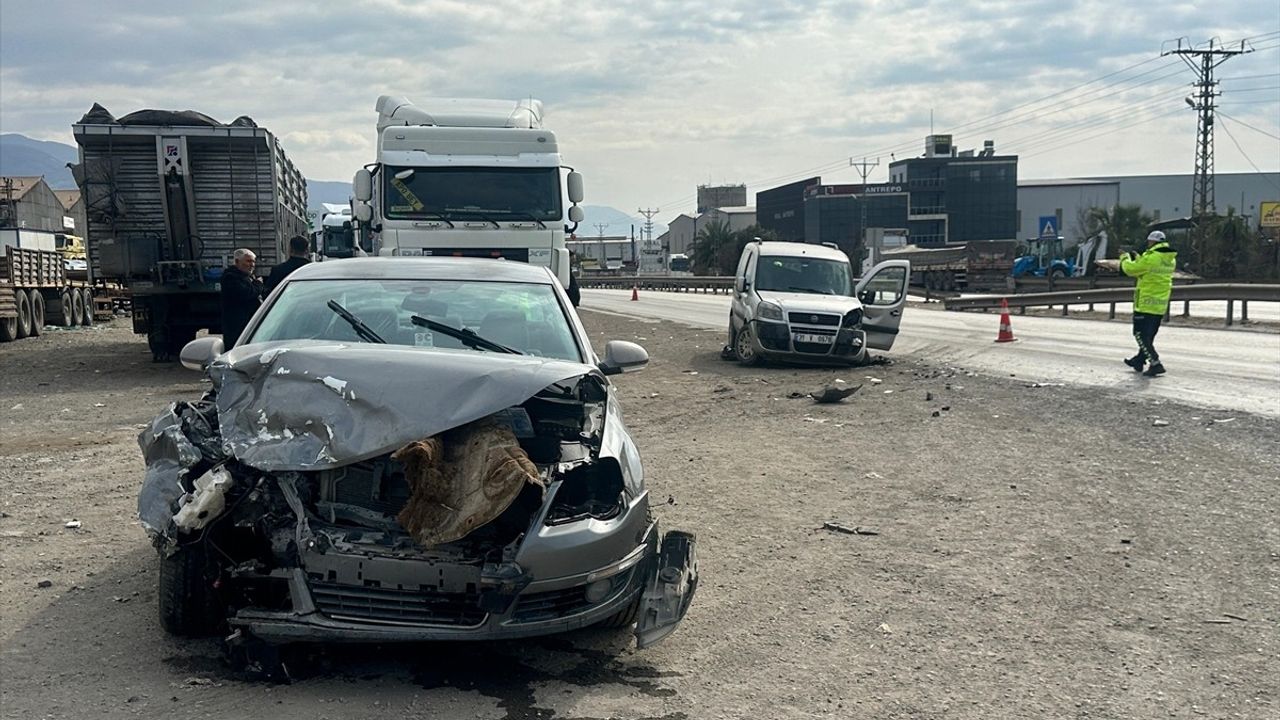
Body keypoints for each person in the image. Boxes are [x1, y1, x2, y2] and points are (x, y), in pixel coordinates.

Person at [1121, 230, 1177, 377]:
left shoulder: (1151, 258)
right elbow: (1149, 271)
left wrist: (1124, 258)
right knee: (1149, 335)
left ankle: (1155, 363)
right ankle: (1139, 360)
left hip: (1146, 302)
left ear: (1152, 242)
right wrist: (1140, 259)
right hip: (1159, 303)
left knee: (1139, 334)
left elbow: (1130, 270)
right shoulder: (1170, 259)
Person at [221, 248, 264, 348]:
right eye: (248, 261)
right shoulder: (230, 277)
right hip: (237, 327)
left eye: (253, 262)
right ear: (237, 262)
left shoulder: (246, 276)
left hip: (248, 324)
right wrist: (258, 284)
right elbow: (248, 293)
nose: (252, 265)